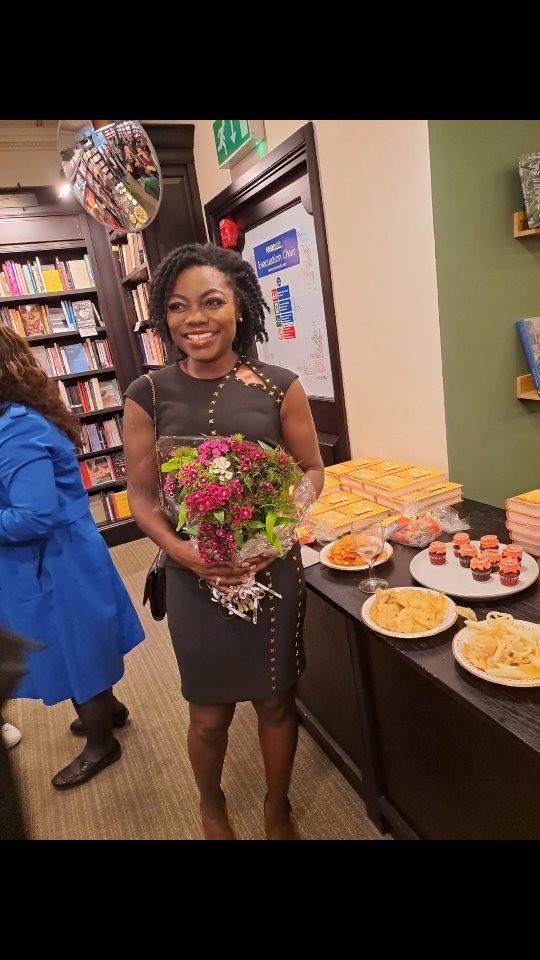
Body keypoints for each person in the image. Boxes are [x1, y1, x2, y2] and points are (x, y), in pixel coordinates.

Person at [124, 243, 324, 839]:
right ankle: (212, 808)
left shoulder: (279, 385)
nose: (196, 319)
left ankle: (277, 807)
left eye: (212, 302)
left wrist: (283, 527)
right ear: (164, 316)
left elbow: (312, 469)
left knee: (276, 703)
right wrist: (183, 552)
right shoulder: (148, 393)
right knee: (208, 715)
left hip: (271, 569)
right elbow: (141, 498)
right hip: (191, 575)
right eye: (179, 306)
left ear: (240, 307)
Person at [0, 329, 144, 789]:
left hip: (53, 565)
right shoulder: (23, 416)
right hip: (64, 557)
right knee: (86, 643)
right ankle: (112, 710)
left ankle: (102, 743)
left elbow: (32, 517)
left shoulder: (15, 429)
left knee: (74, 651)